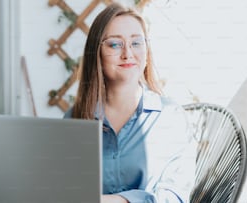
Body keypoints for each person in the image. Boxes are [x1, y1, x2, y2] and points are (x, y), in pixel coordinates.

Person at [64, 2, 197, 203]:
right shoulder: (76, 117)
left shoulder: (170, 118)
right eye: (115, 44)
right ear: (96, 53)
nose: (128, 54)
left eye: (136, 43)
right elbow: (64, 188)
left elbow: (175, 197)